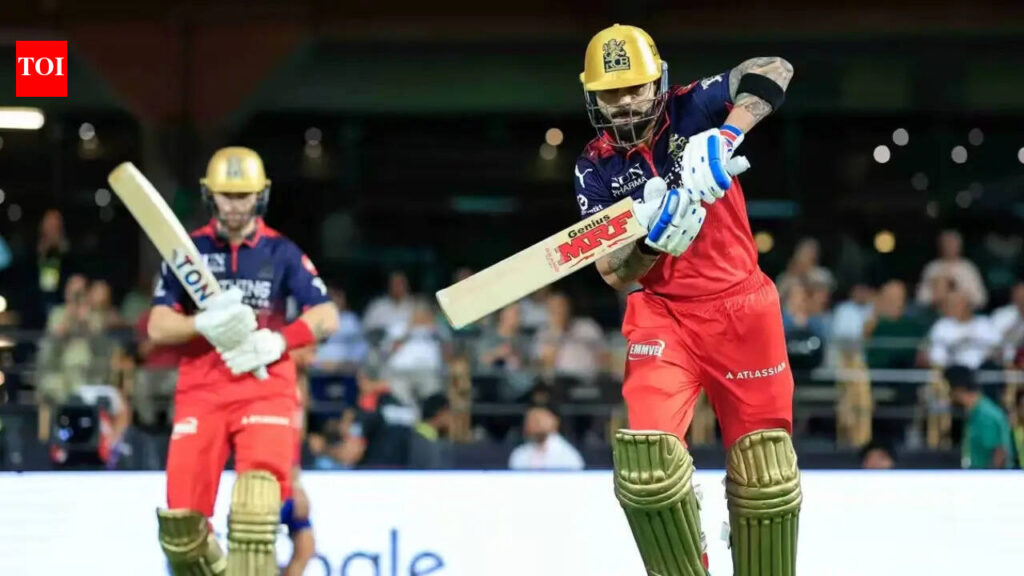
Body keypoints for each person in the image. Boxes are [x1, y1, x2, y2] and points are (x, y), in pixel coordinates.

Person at [573, 24, 798, 575]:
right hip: (663, 316)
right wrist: (651, 245)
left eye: (635, 88)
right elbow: (612, 272)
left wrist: (726, 136)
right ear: (593, 98)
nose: (626, 103)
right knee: (647, 468)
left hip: (743, 309)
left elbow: (774, 67)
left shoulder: (692, 107)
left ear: (658, 83)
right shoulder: (594, 167)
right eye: (611, 94)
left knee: (765, 473)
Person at [147, 147, 338, 575]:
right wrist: (201, 323)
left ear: (260, 195)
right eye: (226, 195)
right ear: (209, 194)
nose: (234, 206)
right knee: (183, 530)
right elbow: (158, 326)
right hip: (203, 388)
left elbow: (327, 316)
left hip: (264, 386)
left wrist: (279, 340)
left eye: (243, 196)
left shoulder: (281, 251)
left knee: (257, 512)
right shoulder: (188, 252)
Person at [945, 365, 1013, 470]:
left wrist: (990, 477)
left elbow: (999, 452)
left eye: (951, 392)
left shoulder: (985, 415)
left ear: (959, 390)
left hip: (986, 476)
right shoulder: (976, 411)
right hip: (979, 474)